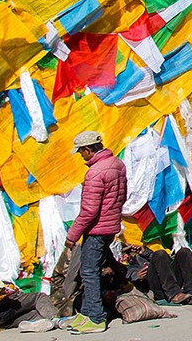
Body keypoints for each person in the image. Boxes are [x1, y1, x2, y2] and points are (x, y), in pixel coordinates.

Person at [67, 130, 127, 334]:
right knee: (92, 269)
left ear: (87, 149)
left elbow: (89, 211)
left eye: (81, 152)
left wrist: (72, 235)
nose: (81, 156)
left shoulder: (95, 172)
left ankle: (95, 317)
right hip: (110, 225)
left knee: (89, 272)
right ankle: (86, 313)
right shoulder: (118, 164)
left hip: (96, 229)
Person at [124, 242, 192, 305]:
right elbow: (128, 275)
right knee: (160, 254)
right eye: (123, 254)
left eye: (127, 253)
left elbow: (159, 258)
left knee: (184, 252)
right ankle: (174, 294)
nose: (125, 256)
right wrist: (137, 277)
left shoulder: (140, 257)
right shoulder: (125, 266)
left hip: (170, 280)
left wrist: (145, 252)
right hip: (157, 289)